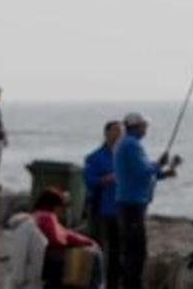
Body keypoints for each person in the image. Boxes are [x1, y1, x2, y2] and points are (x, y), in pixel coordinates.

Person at [114, 113, 181, 289]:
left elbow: (144, 173)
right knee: (136, 252)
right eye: (144, 126)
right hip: (132, 205)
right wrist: (159, 163)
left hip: (130, 204)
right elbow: (143, 172)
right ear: (136, 126)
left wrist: (164, 172)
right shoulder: (131, 145)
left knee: (133, 250)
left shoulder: (128, 145)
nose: (146, 129)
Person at [32, 188, 102, 289]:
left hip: (47, 256)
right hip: (54, 257)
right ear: (54, 205)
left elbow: (64, 233)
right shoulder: (47, 217)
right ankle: (97, 285)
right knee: (95, 254)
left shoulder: (38, 214)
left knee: (92, 250)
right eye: (61, 206)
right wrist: (77, 243)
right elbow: (57, 238)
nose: (61, 210)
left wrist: (84, 241)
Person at [83, 120, 123, 289]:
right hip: (101, 210)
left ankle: (113, 283)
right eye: (115, 131)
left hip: (120, 210)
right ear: (106, 133)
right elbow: (88, 180)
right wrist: (104, 179)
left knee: (117, 251)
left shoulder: (124, 157)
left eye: (121, 131)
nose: (119, 134)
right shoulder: (95, 157)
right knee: (98, 248)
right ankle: (94, 283)